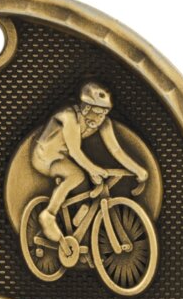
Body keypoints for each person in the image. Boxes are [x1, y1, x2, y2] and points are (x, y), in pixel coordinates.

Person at [31, 82, 149, 242]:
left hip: (64, 156)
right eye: (98, 112)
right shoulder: (69, 116)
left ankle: (80, 216)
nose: (100, 118)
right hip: (45, 157)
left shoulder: (104, 123)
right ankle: (48, 214)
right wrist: (93, 169)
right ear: (86, 107)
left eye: (104, 113)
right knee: (76, 175)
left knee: (91, 185)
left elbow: (116, 151)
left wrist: (138, 170)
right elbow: (75, 150)